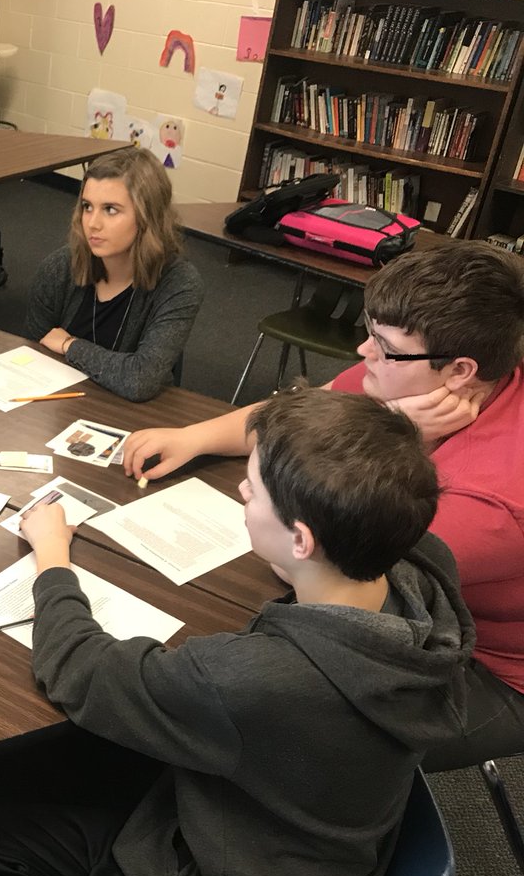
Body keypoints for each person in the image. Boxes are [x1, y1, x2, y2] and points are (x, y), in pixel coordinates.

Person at [0, 388, 472, 876]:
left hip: (224, 861)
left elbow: (77, 669)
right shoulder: (425, 566)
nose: (241, 490)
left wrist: (52, 555)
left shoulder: (245, 678)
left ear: (303, 538)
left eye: (253, 492)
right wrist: (299, 561)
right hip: (331, 843)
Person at [121, 242, 524, 771]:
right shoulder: (416, 374)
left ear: (460, 370)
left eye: (381, 345)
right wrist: (195, 437)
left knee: (271, 723)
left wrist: (399, 436)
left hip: (483, 666)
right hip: (394, 591)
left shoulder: (490, 499)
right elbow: (302, 416)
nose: (362, 353)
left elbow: (320, 567)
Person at [23, 146, 203, 401]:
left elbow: (141, 379)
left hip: (135, 418)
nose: (93, 223)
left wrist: (69, 345)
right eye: (87, 207)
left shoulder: (179, 283)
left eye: (110, 209)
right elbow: (30, 354)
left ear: (146, 217)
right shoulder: (61, 267)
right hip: (59, 405)